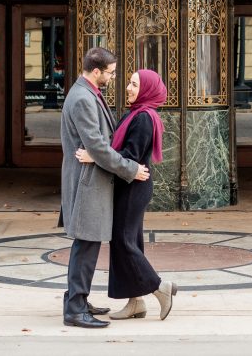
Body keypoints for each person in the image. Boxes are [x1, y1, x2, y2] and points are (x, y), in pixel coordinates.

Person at [76, 69, 178, 321]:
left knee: (123, 241)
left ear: (146, 90)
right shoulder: (135, 113)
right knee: (129, 242)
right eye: (129, 83)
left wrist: (95, 157)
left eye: (134, 84)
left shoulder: (144, 118)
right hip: (128, 186)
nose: (129, 88)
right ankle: (135, 303)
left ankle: (159, 288)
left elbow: (130, 158)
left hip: (132, 188)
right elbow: (118, 150)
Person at [60, 47, 150, 329]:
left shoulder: (87, 93)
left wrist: (100, 154)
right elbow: (97, 146)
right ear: (96, 71)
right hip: (88, 183)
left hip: (91, 179)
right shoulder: (83, 99)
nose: (113, 78)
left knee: (87, 243)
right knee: (85, 244)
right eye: (110, 73)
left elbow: (98, 146)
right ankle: (75, 308)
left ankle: (78, 300)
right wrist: (131, 169)